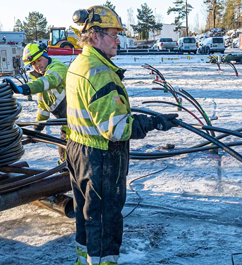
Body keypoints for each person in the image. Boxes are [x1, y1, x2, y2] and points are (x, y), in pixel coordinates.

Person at [66, 6, 179, 265]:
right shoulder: (100, 72)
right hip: (102, 158)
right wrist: (152, 123)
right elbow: (116, 130)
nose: (118, 39)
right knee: (105, 220)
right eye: (113, 34)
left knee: (86, 214)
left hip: (78, 150)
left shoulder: (79, 64)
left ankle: (82, 261)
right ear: (94, 36)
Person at [7, 43, 69, 162]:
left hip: (80, 125)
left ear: (46, 55)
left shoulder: (57, 68)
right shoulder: (42, 81)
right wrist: (37, 130)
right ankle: (65, 175)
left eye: (39, 60)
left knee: (75, 159)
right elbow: (43, 109)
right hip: (67, 126)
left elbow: (50, 80)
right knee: (63, 155)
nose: (37, 65)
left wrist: (25, 88)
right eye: (33, 64)